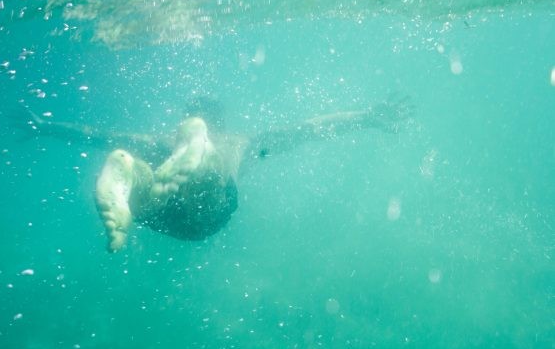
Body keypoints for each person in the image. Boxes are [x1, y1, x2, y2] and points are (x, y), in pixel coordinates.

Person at [25, 95, 410, 253]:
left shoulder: (160, 143)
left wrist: (45, 126)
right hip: (209, 212)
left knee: (143, 187)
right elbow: (305, 129)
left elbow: (100, 136)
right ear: (220, 123)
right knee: (216, 179)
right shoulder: (242, 141)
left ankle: (133, 177)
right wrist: (367, 118)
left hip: (163, 215)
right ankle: (204, 156)